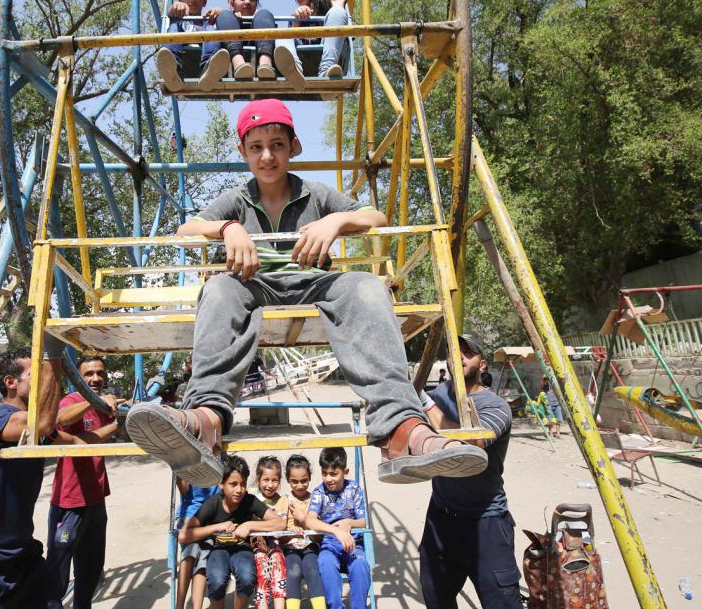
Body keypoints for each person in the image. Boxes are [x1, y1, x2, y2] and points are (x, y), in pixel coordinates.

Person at [126, 98, 487, 488]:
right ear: (242, 151)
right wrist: (228, 228)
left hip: (312, 281)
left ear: (293, 147)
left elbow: (376, 218)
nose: (267, 156)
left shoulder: (315, 194)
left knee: (366, 288)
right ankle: (206, 422)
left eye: (277, 145)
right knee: (217, 291)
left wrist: (336, 221)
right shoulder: (237, 198)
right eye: (256, 147)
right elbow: (186, 231)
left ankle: (402, 430)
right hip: (253, 283)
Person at [0, 346, 72, 609]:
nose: (44, 378)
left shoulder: (36, 421)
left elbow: (67, 434)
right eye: (36, 373)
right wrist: (54, 356)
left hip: (24, 557)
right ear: (11, 382)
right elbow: (41, 424)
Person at [420, 335, 521, 608]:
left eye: (468, 352)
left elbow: (471, 443)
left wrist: (426, 405)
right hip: (442, 516)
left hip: (485, 520)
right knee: (435, 595)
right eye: (455, 351)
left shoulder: (496, 407)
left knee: (501, 601)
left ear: (483, 364)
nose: (460, 356)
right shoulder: (438, 394)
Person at [46, 356, 121, 609]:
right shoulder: (73, 400)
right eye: (88, 374)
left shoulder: (102, 404)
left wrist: (115, 416)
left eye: (100, 373)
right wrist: (91, 400)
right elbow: (60, 420)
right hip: (70, 501)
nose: (96, 378)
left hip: (96, 499)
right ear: (77, 378)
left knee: (90, 568)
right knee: (58, 570)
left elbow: (93, 437)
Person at [178, 455, 285, 609]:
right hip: (218, 549)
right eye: (233, 484)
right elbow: (183, 535)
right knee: (216, 579)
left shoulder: (249, 501)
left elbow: (280, 523)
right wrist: (217, 527)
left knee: (247, 577)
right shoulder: (213, 503)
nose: (239, 490)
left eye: (242, 484)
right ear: (221, 484)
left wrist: (249, 525)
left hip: (242, 549)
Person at [303, 447, 370, 609]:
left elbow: (363, 522)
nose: (328, 479)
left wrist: (349, 523)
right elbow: (310, 521)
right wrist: (336, 531)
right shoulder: (320, 492)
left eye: (334, 474)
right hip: (329, 544)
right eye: (324, 473)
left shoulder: (353, 489)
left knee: (360, 565)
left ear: (345, 471)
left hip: (352, 544)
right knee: (325, 563)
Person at [274, 0, 350, 88]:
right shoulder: (295, 18)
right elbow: (292, 40)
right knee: (280, 33)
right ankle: (294, 71)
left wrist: (338, 8)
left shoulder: (332, 11)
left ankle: (326, 72)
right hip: (304, 64)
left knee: (338, 12)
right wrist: (297, 21)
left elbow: (347, 39)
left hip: (330, 61)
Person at [156, 0, 224, 90]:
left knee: (211, 29)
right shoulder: (177, 21)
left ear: (204, 1)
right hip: (184, 63)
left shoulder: (210, 23)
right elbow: (170, 16)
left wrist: (222, 13)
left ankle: (209, 68)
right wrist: (174, 8)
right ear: (181, 0)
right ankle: (171, 70)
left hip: (207, 65)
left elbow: (231, 23)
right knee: (173, 27)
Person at [203, 0, 278, 81]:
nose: (247, 1)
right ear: (232, 3)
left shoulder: (262, 19)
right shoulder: (224, 17)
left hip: (258, 62)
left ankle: (265, 65)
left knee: (264, 13)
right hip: (230, 60)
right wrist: (229, 16)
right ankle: (239, 65)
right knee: (225, 14)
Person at [283, 455, 326, 609]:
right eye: (294, 481)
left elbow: (317, 535)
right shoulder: (285, 501)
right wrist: (289, 530)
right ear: (288, 479)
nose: (300, 485)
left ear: (309, 478)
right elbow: (278, 528)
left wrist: (303, 521)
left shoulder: (315, 499)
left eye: (304, 480)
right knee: (293, 571)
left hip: (311, 546)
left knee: (313, 570)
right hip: (290, 547)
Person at [175, 477, 221, 609]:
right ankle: (179, 605)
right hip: (190, 514)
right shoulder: (189, 458)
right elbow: (184, 490)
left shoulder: (220, 459)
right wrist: (178, 468)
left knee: (204, 556)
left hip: (211, 517)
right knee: (191, 549)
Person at [250, 456, 288, 609]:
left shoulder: (280, 500)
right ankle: (263, 605)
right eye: (266, 480)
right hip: (254, 542)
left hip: (273, 542)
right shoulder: (250, 496)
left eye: (275, 481)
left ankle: (279, 605)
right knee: (262, 565)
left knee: (278, 560)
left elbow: (281, 526)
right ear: (258, 479)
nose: (270, 485)